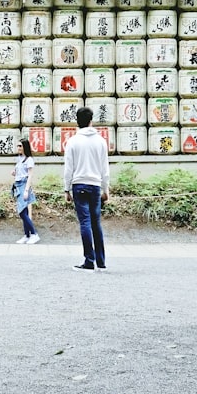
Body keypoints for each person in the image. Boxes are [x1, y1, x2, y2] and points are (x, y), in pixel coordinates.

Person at [64, 106, 110, 271]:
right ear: (91, 121)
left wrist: (66, 189)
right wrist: (106, 190)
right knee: (96, 223)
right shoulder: (101, 141)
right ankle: (101, 261)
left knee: (85, 222)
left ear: (77, 121)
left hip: (79, 184)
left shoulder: (73, 141)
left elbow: (68, 168)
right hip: (95, 185)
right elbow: (105, 169)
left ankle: (89, 260)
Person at [13, 138, 39, 244]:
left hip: (24, 185)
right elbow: (18, 171)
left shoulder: (29, 160)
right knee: (24, 212)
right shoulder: (19, 159)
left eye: (20, 146)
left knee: (22, 212)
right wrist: (14, 172)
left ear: (25, 147)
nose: (18, 148)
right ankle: (27, 235)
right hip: (18, 185)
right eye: (17, 146)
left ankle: (34, 234)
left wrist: (26, 190)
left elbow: (30, 176)